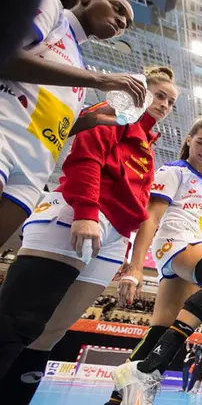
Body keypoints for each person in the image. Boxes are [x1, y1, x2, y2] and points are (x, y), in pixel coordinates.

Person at [0, 66, 176, 404]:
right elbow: (86, 158)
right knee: (18, 321)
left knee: (50, 334)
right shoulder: (113, 113)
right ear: (141, 89)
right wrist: (85, 212)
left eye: (170, 100)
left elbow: (139, 206)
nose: (164, 104)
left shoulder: (147, 146)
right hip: (80, 215)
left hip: (112, 238)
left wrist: (132, 262)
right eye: (159, 94)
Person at [0, 0, 148, 248]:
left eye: (125, 23)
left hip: (34, 169)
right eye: (117, 9)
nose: (121, 22)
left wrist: (89, 120)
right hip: (4, 135)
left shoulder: (78, 61)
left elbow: (55, 126)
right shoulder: (51, 8)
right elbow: (6, 56)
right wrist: (99, 80)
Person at [111, 117, 202, 405]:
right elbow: (152, 216)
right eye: (200, 142)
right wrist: (135, 265)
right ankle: (151, 367)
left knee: (161, 329)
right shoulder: (172, 171)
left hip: (194, 244)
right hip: (177, 242)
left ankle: (119, 394)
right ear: (188, 140)